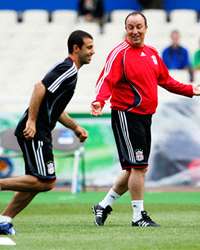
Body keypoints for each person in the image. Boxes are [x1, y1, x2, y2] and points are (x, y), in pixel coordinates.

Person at [91, 11, 200, 227]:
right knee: (138, 167)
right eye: (130, 27)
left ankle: (103, 205)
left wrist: (191, 89)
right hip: (126, 114)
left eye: (139, 26)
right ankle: (138, 216)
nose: (135, 31)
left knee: (135, 168)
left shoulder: (151, 53)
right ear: (126, 29)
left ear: (146, 28)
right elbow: (106, 80)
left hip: (145, 117)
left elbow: (166, 80)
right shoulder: (119, 54)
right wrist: (99, 101)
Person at [0, 30, 94, 235]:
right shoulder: (67, 69)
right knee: (46, 181)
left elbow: (55, 107)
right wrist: (32, 121)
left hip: (40, 130)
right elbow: (39, 88)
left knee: (37, 181)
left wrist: (75, 127)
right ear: (76, 48)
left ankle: (4, 220)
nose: (92, 52)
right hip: (35, 131)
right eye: (89, 47)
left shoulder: (71, 72)